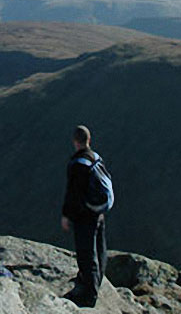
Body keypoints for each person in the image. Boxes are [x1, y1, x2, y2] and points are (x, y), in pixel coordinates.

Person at [60, 125, 113, 307]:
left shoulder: (78, 164)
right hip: (98, 213)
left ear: (75, 141)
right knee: (100, 250)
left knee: (86, 254)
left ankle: (88, 296)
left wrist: (67, 216)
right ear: (89, 140)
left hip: (84, 215)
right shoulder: (96, 158)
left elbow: (73, 193)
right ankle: (93, 284)